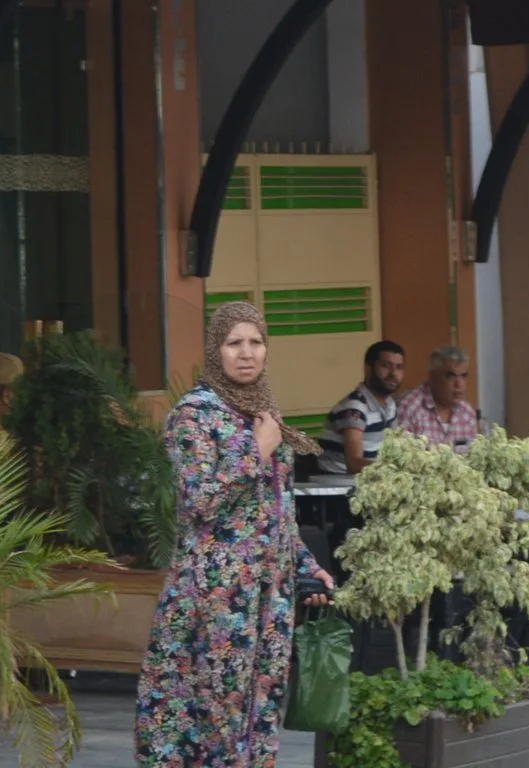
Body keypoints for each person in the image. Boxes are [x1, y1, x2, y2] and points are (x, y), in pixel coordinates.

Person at [136, 302, 334, 768]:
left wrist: (307, 566)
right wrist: (256, 451)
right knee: (214, 714)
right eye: (233, 343)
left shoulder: (264, 413)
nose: (247, 353)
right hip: (216, 597)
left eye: (256, 342)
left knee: (259, 713)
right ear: (215, 350)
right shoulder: (193, 416)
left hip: (269, 596)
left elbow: (277, 511)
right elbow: (200, 500)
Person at [316, 339, 405, 475]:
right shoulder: (355, 409)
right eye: (385, 366)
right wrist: (396, 470)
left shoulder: (389, 404)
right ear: (368, 369)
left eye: (399, 367)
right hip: (338, 482)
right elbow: (354, 464)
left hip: (369, 479)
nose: (393, 373)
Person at [397, 345, 481, 454]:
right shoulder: (409, 408)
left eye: (463, 376)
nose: (459, 384)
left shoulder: (467, 413)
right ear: (432, 377)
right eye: (450, 376)